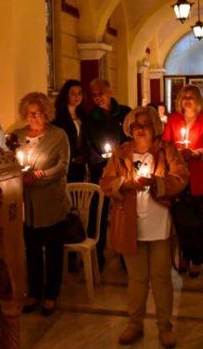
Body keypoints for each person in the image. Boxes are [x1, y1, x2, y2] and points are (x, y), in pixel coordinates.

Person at [100, 106, 188, 348]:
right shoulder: (121, 153)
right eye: (136, 124)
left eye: (145, 124)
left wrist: (158, 182)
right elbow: (105, 184)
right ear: (129, 128)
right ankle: (135, 324)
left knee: (161, 278)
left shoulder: (166, 150)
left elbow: (181, 176)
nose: (140, 129)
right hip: (130, 224)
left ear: (154, 128)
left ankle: (164, 327)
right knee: (137, 278)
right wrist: (124, 183)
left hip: (159, 224)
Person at [14, 92, 69, 316]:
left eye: (38, 113)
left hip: (51, 201)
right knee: (32, 251)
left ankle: (51, 294)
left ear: (46, 114)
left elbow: (63, 166)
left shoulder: (58, 136)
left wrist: (39, 176)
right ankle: (34, 292)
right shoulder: (16, 136)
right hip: (25, 204)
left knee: (54, 250)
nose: (34, 117)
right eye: (30, 113)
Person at [162, 84, 203, 277]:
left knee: (199, 222)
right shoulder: (173, 120)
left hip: (201, 176)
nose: (187, 100)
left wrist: (196, 153)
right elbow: (166, 144)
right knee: (181, 221)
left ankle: (197, 259)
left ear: (199, 100)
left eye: (191, 96)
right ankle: (184, 255)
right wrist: (176, 153)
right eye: (184, 96)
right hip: (178, 175)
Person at [83, 78, 131, 270]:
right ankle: (98, 255)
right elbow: (87, 143)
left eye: (100, 94)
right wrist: (100, 160)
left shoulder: (125, 112)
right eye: (93, 95)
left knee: (123, 212)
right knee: (98, 213)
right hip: (100, 171)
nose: (97, 98)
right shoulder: (90, 117)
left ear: (110, 91)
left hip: (123, 170)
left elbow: (130, 138)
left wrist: (120, 158)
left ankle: (125, 255)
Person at [51, 79, 86, 182]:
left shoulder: (83, 114)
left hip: (80, 163)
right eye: (73, 93)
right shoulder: (58, 116)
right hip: (65, 163)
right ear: (66, 95)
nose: (77, 96)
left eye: (80, 93)